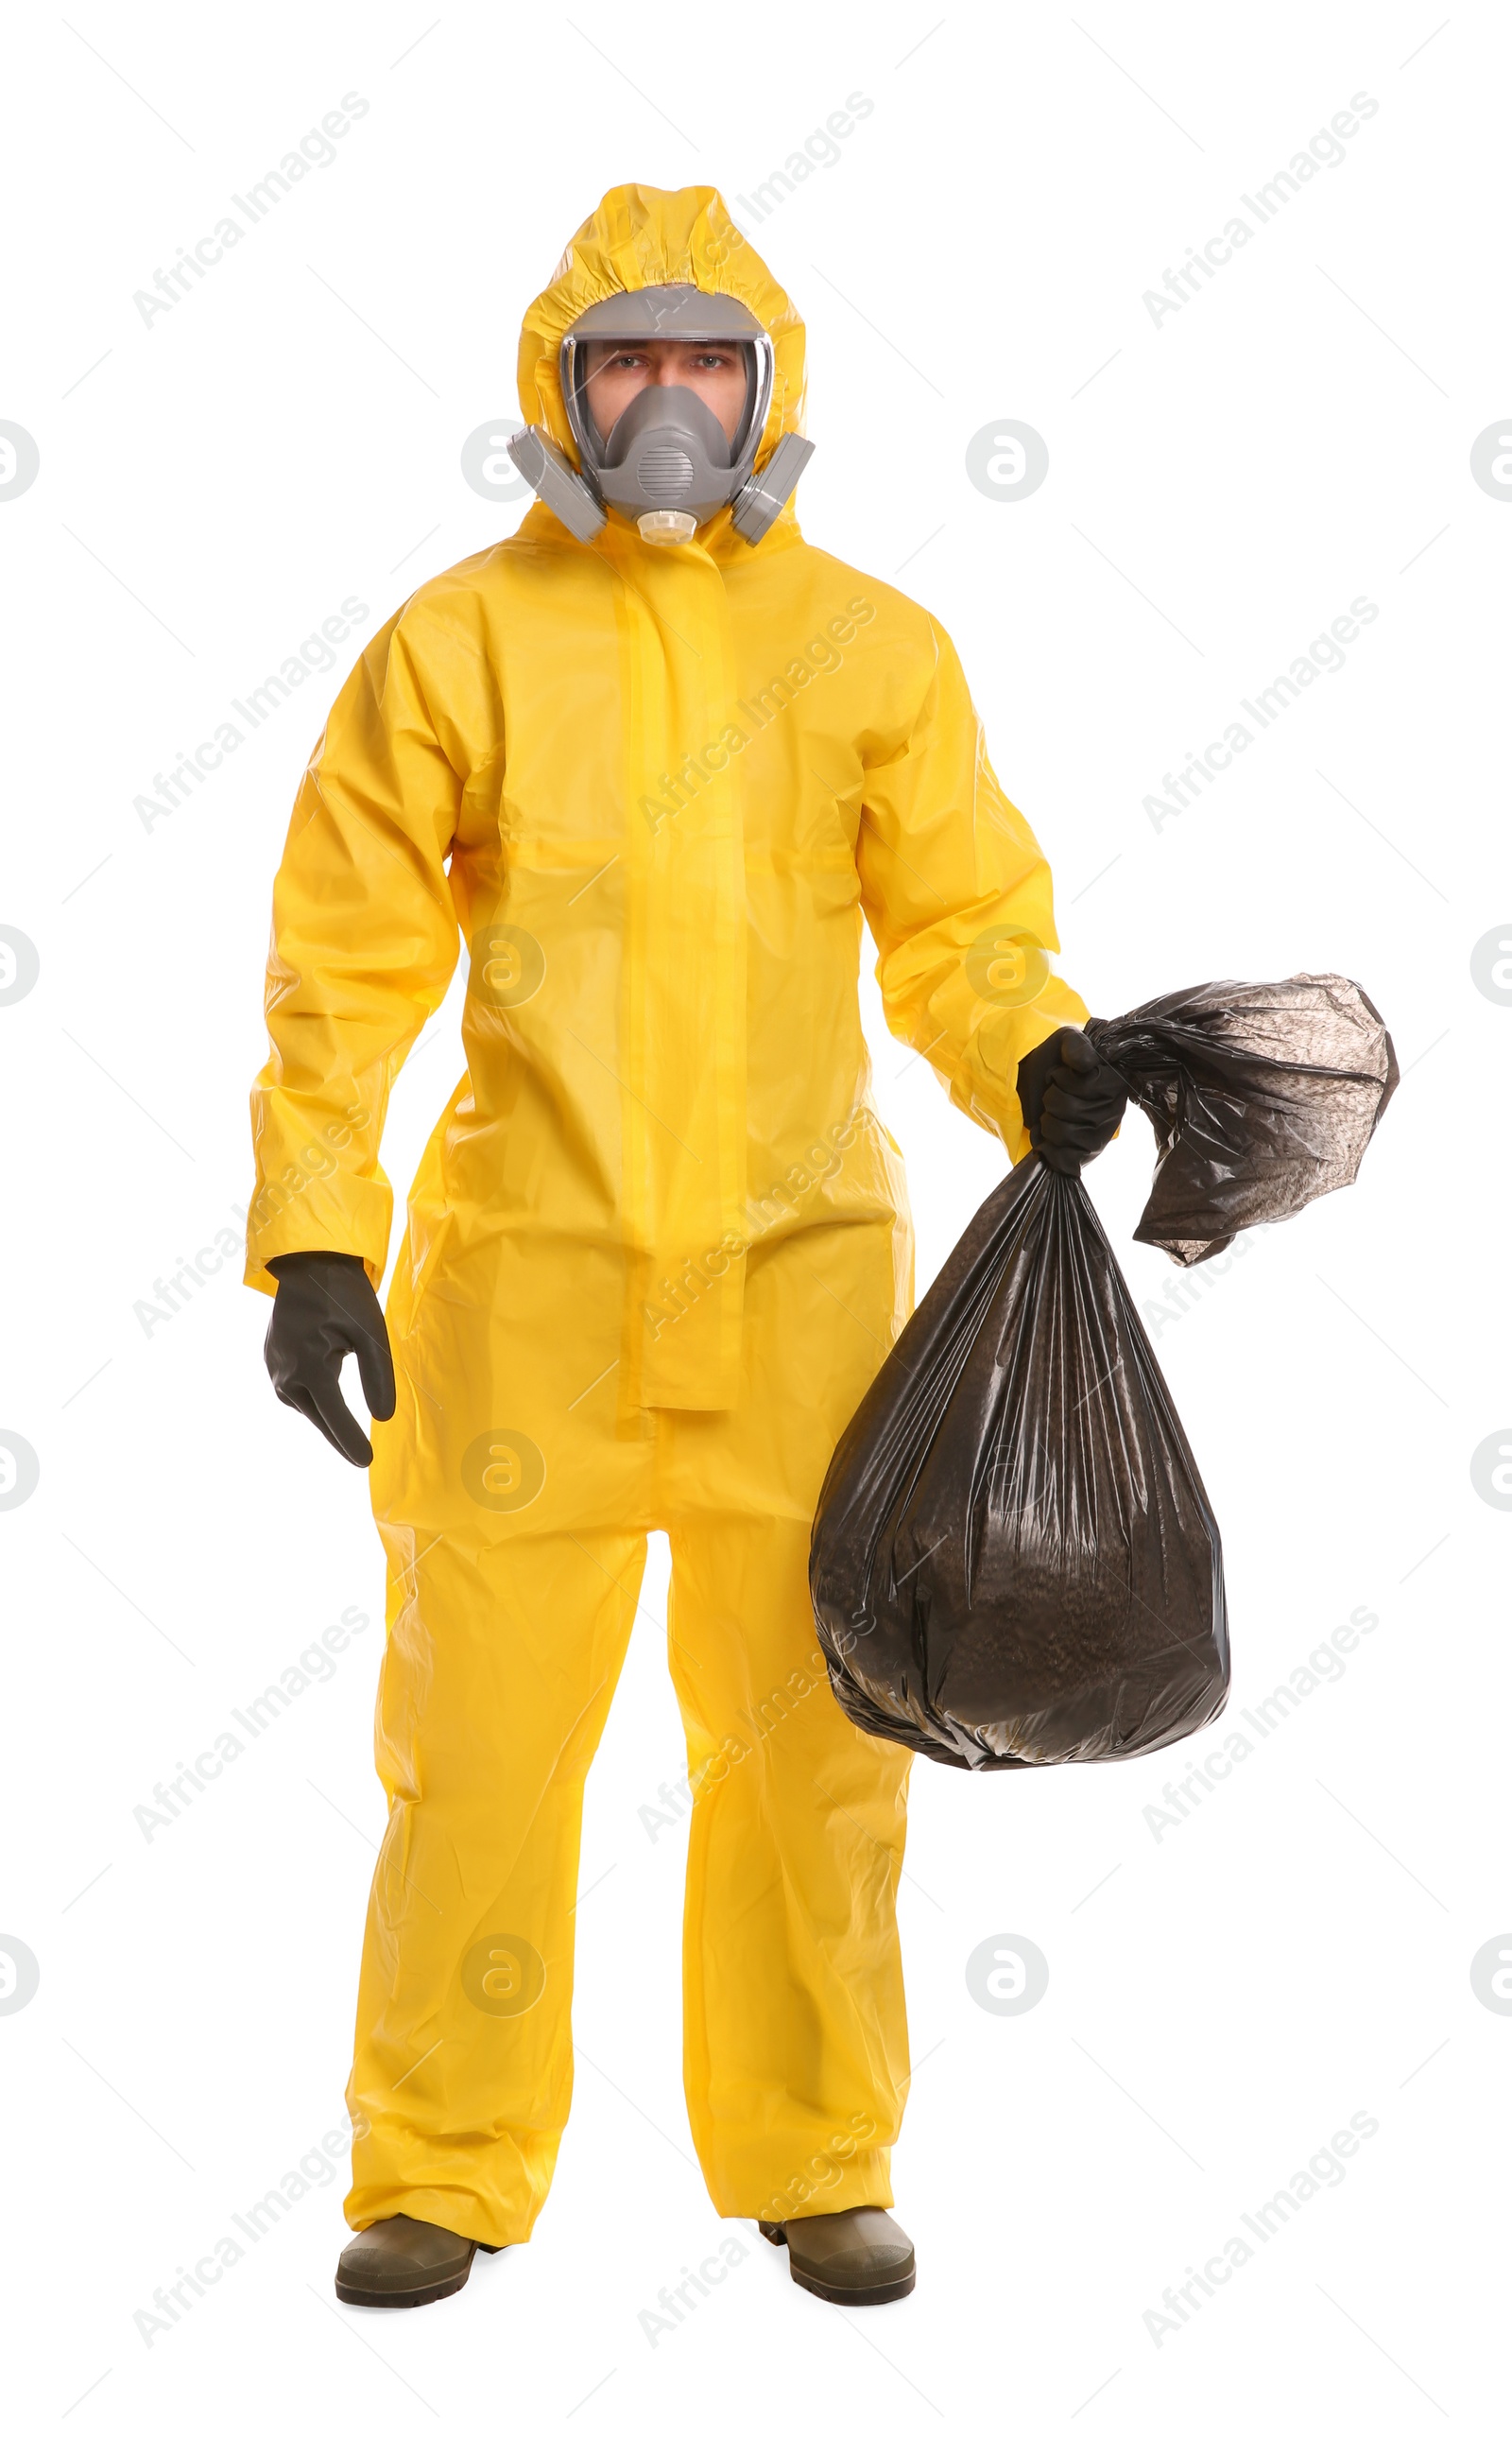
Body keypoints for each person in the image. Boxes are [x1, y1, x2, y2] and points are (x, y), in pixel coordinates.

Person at [246, 182, 1125, 2313]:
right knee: (473, 1764)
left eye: (702, 366)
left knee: (814, 1762)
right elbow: (341, 967)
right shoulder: (456, 640)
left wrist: (1030, 1057)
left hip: (802, 1303)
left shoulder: (869, 649)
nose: (663, 405)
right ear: (556, 386)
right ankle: (438, 2166)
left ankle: (817, 2152)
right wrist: (312, 1240)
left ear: (769, 388)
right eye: (623, 364)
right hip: (516, 1302)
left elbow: (957, 929)